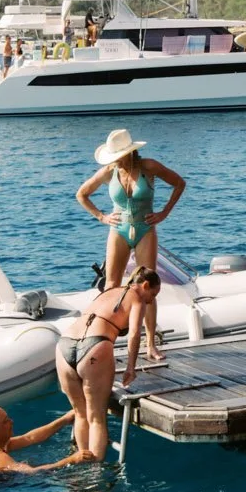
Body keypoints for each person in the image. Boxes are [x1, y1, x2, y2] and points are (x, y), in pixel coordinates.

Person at [75, 127, 184, 358]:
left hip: (145, 229)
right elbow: (82, 194)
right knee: (111, 286)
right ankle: (104, 341)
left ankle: (150, 345)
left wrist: (164, 213)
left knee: (149, 288)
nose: (116, 161)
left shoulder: (149, 167)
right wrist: (101, 216)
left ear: (129, 153)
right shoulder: (108, 172)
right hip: (119, 230)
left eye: (118, 157)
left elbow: (179, 183)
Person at [54, 272, 163, 462]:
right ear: (145, 285)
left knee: (81, 414)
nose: (150, 301)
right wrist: (131, 367)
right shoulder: (136, 298)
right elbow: (135, 335)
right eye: (153, 295)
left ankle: (82, 464)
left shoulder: (110, 291)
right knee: (96, 418)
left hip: (64, 345)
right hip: (95, 347)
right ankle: (96, 475)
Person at [0, 405, 81, 478]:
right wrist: (72, 459)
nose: (12, 421)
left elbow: (29, 438)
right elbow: (33, 472)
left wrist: (64, 420)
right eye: (6, 421)